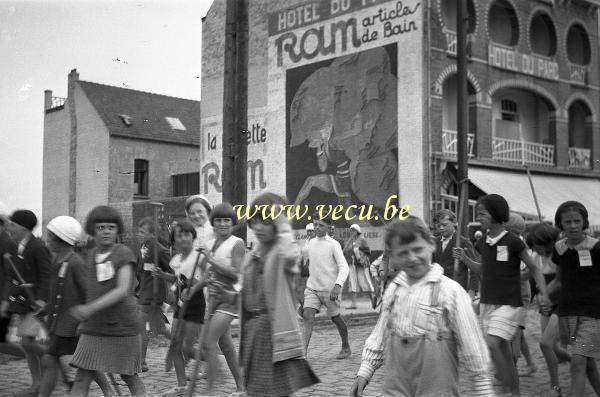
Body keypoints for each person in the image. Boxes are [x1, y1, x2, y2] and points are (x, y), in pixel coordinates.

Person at [350, 217, 494, 396]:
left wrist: (483, 389)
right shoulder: (394, 291)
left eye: (418, 249)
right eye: (402, 253)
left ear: (431, 245)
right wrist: (365, 370)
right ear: (392, 256)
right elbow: (380, 334)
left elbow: (473, 346)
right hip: (396, 388)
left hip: (436, 389)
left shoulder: (450, 292)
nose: (412, 258)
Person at [211, 192, 319, 396]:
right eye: (255, 221)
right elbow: (246, 294)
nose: (259, 227)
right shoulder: (252, 256)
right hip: (253, 333)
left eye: (266, 222)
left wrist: (283, 220)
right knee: (257, 390)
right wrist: (226, 295)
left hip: (274, 334)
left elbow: (290, 254)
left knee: (272, 391)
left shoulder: (281, 252)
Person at [454, 194, 550, 397]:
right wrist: (465, 258)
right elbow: (483, 270)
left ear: (497, 214)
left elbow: (534, 268)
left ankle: (504, 384)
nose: (478, 217)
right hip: (488, 303)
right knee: (506, 355)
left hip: (509, 304)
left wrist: (543, 293)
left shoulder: (514, 242)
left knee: (490, 342)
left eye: (482, 213)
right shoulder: (482, 243)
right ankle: (515, 392)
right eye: (477, 213)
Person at [69, 205, 145, 396]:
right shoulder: (91, 255)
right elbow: (92, 288)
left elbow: (121, 290)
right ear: (93, 230)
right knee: (82, 375)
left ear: (117, 229)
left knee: (129, 376)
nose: (105, 231)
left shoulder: (124, 253)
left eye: (110, 227)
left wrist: (90, 308)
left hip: (122, 326)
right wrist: (84, 317)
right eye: (101, 227)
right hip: (94, 327)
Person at [39, 216, 112, 397]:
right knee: (63, 361)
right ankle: (106, 390)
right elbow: (58, 294)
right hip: (60, 324)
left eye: (49, 236)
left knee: (82, 363)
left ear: (61, 240)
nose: (46, 240)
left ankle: (107, 391)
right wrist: (47, 308)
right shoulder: (58, 261)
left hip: (73, 326)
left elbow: (90, 293)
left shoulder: (75, 263)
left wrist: (86, 320)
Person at [550, 201, 600, 397]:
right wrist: (544, 294)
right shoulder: (559, 249)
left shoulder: (596, 248)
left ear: (584, 222)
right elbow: (559, 279)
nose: (572, 225)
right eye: (567, 221)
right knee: (588, 365)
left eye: (577, 221)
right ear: (560, 224)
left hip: (593, 314)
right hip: (568, 313)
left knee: (577, 363)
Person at [1, 210, 52, 397]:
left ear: (22, 227)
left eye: (12, 224)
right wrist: (7, 300)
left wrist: (41, 298)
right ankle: (37, 384)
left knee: (27, 340)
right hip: (24, 302)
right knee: (27, 344)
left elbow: (47, 275)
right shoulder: (17, 246)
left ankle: (50, 362)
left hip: (37, 303)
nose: (9, 227)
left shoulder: (38, 247)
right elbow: (13, 276)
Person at [153, 220, 206, 397]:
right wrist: (163, 275)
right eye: (179, 235)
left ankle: (211, 360)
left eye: (187, 234)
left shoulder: (199, 257)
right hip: (180, 305)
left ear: (193, 237)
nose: (184, 238)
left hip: (196, 305)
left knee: (187, 348)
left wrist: (194, 288)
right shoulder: (175, 260)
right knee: (175, 344)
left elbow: (208, 277)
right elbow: (178, 279)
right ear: (174, 240)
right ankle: (181, 385)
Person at [196, 202, 244, 395]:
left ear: (232, 223)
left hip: (231, 299)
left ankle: (215, 381)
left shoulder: (237, 243)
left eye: (227, 220)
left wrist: (212, 261)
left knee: (208, 341)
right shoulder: (209, 244)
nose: (223, 224)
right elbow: (207, 273)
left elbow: (237, 273)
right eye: (219, 220)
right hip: (213, 299)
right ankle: (242, 386)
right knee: (225, 345)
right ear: (213, 223)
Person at [527, 222, 569, 397]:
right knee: (552, 346)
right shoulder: (535, 257)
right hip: (546, 305)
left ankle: (555, 387)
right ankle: (575, 361)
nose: (537, 251)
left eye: (539, 247)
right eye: (534, 248)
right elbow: (531, 276)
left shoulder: (561, 254)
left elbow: (559, 282)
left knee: (545, 343)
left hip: (562, 303)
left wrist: (544, 295)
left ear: (550, 242)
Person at [303, 214, 351, 359]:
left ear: (328, 227)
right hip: (312, 288)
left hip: (330, 290)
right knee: (307, 316)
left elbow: (344, 267)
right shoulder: (310, 243)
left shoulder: (333, 244)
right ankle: (302, 353)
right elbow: (304, 261)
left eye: (320, 225)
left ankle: (346, 346)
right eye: (315, 224)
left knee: (335, 318)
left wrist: (338, 286)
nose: (317, 227)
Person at [135, 216, 172, 372]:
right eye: (138, 231)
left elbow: (172, 268)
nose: (138, 234)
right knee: (160, 329)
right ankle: (183, 349)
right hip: (144, 292)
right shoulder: (144, 247)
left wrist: (161, 272)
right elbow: (140, 269)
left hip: (153, 294)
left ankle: (141, 362)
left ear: (151, 234)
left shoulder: (158, 249)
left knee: (140, 326)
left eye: (142, 232)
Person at [504, 213, 537, 377]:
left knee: (513, 334)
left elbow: (526, 273)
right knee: (518, 333)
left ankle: (511, 371)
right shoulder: (507, 244)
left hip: (520, 295)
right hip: (509, 294)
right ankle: (531, 364)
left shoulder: (519, 246)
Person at [431, 209, 478, 297]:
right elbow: (432, 265)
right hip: (438, 288)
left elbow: (473, 268)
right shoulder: (435, 242)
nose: (441, 228)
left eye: (444, 225)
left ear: (454, 223)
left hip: (457, 287)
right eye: (438, 225)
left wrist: (472, 290)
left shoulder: (463, 242)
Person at [0, 204, 26, 363]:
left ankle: (40, 356)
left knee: (1, 343)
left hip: (4, 298)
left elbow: (12, 275)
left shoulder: (8, 243)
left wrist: (5, 301)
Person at [342, 224, 375, 309]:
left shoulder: (362, 239)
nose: (351, 232)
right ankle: (353, 304)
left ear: (357, 231)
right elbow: (345, 251)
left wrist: (360, 253)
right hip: (352, 264)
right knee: (352, 283)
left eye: (353, 230)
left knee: (364, 282)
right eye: (351, 230)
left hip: (362, 264)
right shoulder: (349, 241)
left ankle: (373, 298)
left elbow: (369, 251)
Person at [296, 223, 314, 316]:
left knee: (312, 288)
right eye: (308, 231)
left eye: (311, 231)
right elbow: (302, 254)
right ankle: (307, 305)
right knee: (307, 287)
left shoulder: (316, 241)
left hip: (315, 268)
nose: (310, 233)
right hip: (306, 268)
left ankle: (311, 306)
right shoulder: (307, 241)